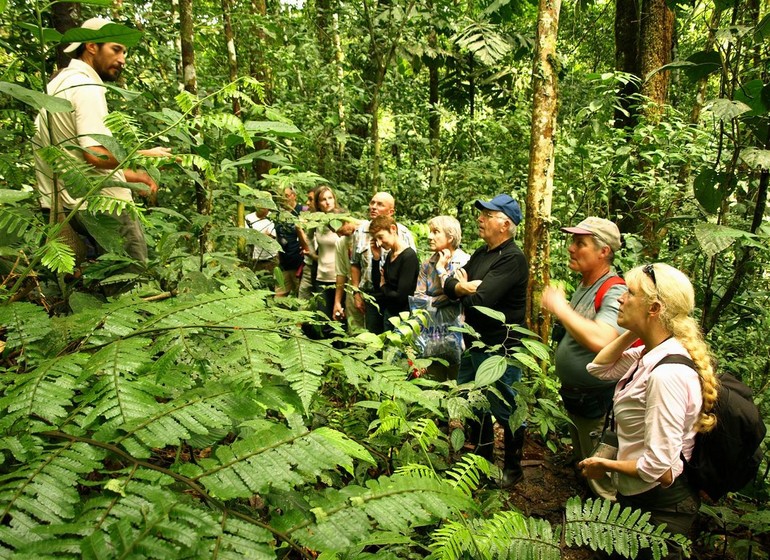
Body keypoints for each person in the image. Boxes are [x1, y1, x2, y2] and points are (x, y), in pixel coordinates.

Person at [578, 264, 719, 559]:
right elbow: (599, 368)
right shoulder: (651, 354)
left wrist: (603, 465)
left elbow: (658, 468)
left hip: (662, 508)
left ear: (654, 307)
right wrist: (634, 329)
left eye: (630, 293)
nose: (620, 298)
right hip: (638, 496)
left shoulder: (666, 374)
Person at [32, 17, 171, 269]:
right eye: (116, 49)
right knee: (130, 285)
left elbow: (76, 154)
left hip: (62, 209)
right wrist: (143, 157)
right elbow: (95, 155)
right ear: (91, 47)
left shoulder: (57, 84)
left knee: (87, 294)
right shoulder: (87, 86)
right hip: (103, 210)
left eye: (125, 52)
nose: (122, 59)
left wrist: (136, 174)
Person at [443, 194, 528, 488]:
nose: (479, 219)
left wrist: (463, 288)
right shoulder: (483, 253)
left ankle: (513, 469)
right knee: (473, 402)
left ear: (504, 224)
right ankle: (482, 462)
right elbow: (449, 283)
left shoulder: (514, 258)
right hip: (475, 344)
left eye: (487, 215)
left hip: (502, 349)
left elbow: (482, 300)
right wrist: (462, 285)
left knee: (506, 408)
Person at [541, 217, 627, 500]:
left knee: (601, 476)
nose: (571, 248)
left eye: (581, 243)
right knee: (585, 467)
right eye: (572, 242)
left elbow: (603, 339)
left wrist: (561, 309)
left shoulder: (614, 289)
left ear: (604, 251)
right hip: (578, 400)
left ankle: (614, 535)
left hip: (599, 402)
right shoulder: (585, 285)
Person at [413, 215, 470, 381]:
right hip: (432, 334)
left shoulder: (465, 262)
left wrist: (440, 269)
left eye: (435, 232)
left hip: (459, 334)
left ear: (450, 237)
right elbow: (418, 299)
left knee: (457, 383)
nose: (429, 237)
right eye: (430, 232)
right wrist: (445, 298)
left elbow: (460, 295)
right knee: (435, 381)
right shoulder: (426, 264)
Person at [350, 192, 415, 334]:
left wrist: (384, 285)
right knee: (372, 341)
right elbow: (354, 263)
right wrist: (356, 293)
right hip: (371, 295)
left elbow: (408, 279)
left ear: (391, 212)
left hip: (396, 302)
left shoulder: (404, 235)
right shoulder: (360, 232)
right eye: (372, 202)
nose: (373, 207)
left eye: (380, 204)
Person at [368, 215, 419, 330]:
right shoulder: (390, 254)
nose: (379, 243)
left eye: (381, 237)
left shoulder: (408, 256)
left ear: (393, 229)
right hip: (389, 314)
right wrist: (376, 258)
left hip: (402, 318)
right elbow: (377, 285)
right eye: (376, 239)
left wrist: (384, 286)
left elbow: (401, 296)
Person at [274, 186, 309, 297]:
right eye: (281, 197)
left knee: (301, 300)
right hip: (284, 265)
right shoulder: (278, 214)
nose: (283, 199)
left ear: (294, 196)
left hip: (300, 266)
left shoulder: (304, 212)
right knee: (278, 300)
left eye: (286, 196)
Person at [332, 217, 364, 333]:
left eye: (340, 231)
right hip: (351, 289)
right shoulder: (341, 242)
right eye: (337, 233)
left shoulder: (368, 231)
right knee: (354, 330)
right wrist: (337, 302)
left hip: (369, 287)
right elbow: (341, 273)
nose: (340, 235)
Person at [244, 204, 277, 275]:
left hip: (271, 257)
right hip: (255, 257)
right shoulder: (248, 218)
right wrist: (262, 235)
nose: (261, 207)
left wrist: (256, 235)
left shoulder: (274, 217)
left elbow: (272, 235)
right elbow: (247, 236)